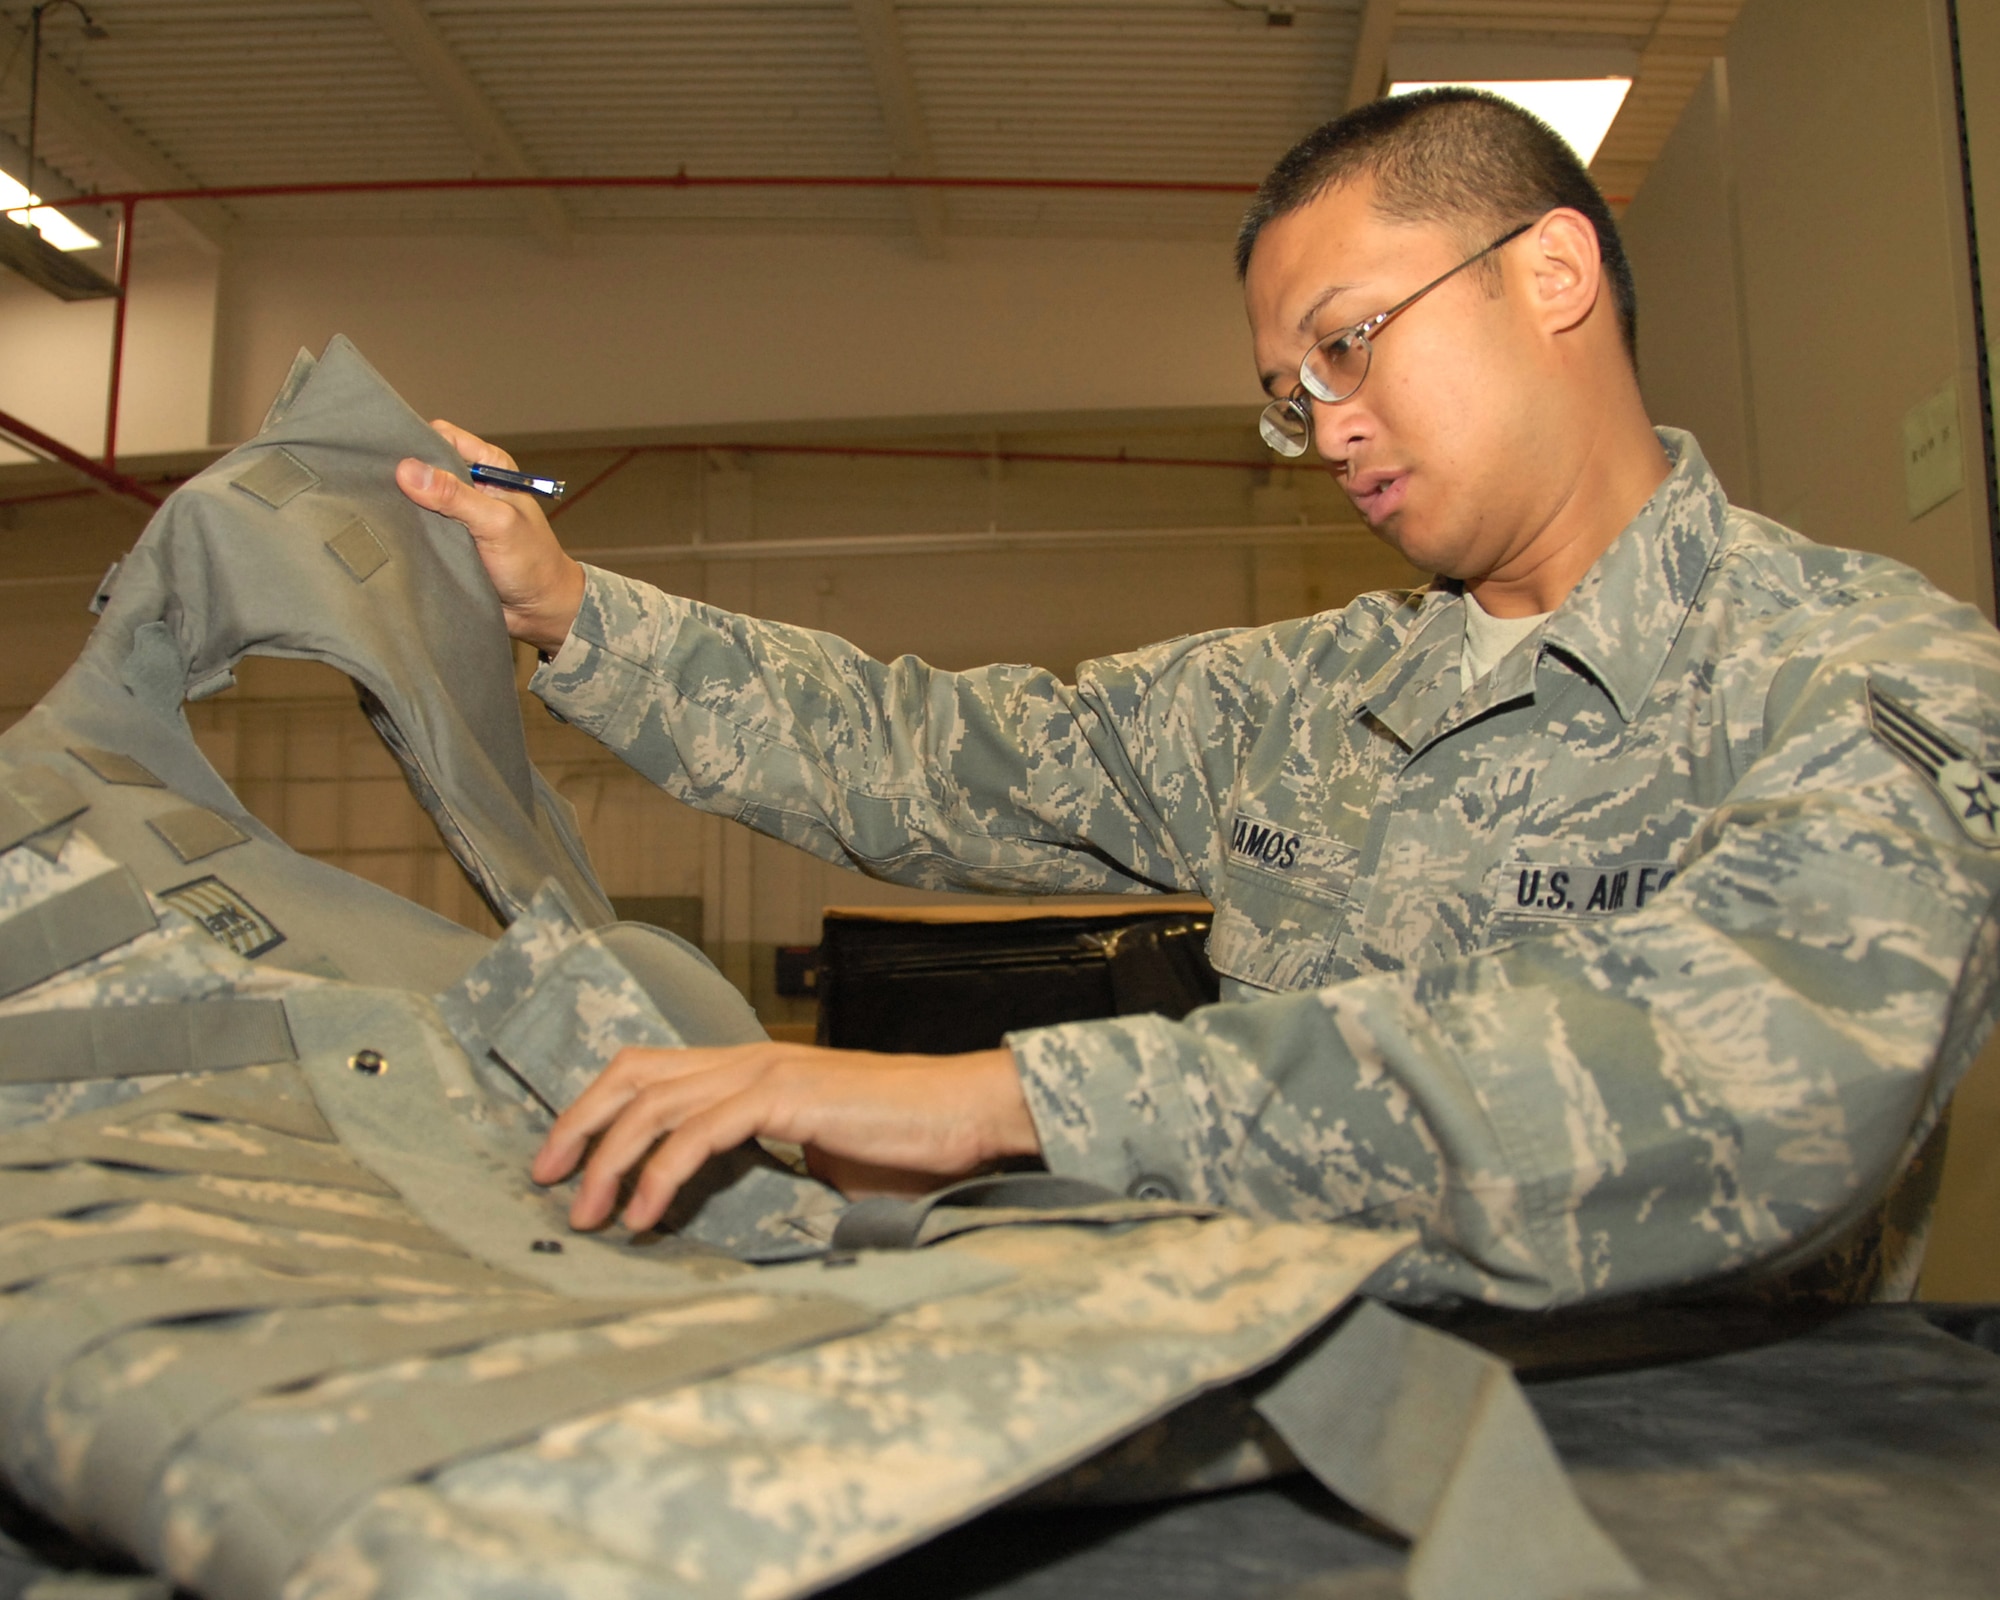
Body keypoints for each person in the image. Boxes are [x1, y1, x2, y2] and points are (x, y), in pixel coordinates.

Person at [397, 89, 2000, 1309]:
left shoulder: (1861, 675)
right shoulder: (1316, 697)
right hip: (1293, 1395)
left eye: (1350, 346)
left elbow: (1763, 1077)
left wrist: (1003, 1103)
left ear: (1554, 274)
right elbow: (942, 758)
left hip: (1693, 1471)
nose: (1333, 425)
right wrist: (572, 607)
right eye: (1293, 398)